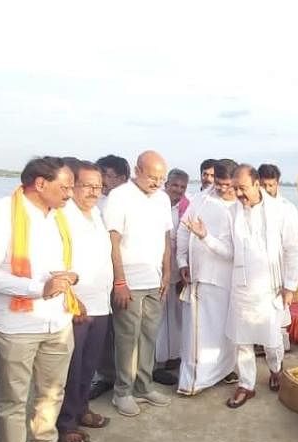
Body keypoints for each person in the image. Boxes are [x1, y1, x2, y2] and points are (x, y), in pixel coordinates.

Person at [0, 156, 82, 442]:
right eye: (65, 186)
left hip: (57, 318)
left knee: (52, 391)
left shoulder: (62, 217)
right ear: (40, 184)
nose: (71, 192)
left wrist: (71, 276)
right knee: (14, 398)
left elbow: (68, 263)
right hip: (15, 323)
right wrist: (37, 288)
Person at [224, 164, 298, 409]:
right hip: (241, 287)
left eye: (242, 188)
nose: (238, 194)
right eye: (235, 188)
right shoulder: (232, 211)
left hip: (271, 287)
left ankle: (276, 369)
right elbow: (230, 251)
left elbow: (293, 250)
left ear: (257, 184)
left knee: (272, 339)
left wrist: (290, 286)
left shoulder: (283, 210)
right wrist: (205, 238)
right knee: (241, 340)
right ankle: (246, 385)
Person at [102, 151, 174, 417]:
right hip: (128, 281)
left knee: (149, 335)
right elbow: (113, 240)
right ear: (137, 170)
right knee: (126, 338)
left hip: (155, 280)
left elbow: (166, 238)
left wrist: (167, 273)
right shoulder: (119, 196)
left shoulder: (163, 199)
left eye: (161, 178)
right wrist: (119, 280)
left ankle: (144, 386)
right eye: (152, 177)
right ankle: (122, 392)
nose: (157, 183)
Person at [55, 160, 112, 442]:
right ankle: (65, 423)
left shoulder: (97, 214)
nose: (93, 191)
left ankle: (81, 409)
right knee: (70, 367)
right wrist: (72, 299)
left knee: (89, 365)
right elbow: (55, 262)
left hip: (100, 301)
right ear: (73, 186)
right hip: (75, 304)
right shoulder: (62, 215)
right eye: (87, 185)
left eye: (98, 186)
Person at [177, 159, 238, 395]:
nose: (222, 189)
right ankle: (193, 381)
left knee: (225, 332)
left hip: (226, 280)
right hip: (199, 277)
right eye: (218, 183)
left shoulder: (240, 207)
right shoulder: (202, 198)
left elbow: (232, 252)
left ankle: (223, 371)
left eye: (227, 185)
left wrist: (206, 238)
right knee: (197, 333)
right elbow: (184, 229)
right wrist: (182, 260)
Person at [88, 154, 131, 400]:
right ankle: (105, 375)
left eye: (109, 175)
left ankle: (129, 377)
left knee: (126, 331)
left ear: (123, 177)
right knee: (104, 332)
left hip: (125, 274)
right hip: (100, 278)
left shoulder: (126, 201)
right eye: (102, 175)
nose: (104, 181)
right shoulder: (94, 205)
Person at [258, 162, 298, 351]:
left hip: (279, 270)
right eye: (263, 185)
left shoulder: (287, 208)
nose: (267, 189)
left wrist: (290, 285)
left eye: (271, 185)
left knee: (279, 314)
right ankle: (260, 344)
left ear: (277, 184)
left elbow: (293, 248)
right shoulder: (250, 206)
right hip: (257, 271)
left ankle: (279, 356)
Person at [154, 168, 190, 383]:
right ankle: (154, 364)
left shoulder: (185, 208)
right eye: (174, 185)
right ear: (166, 184)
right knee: (156, 319)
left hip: (175, 269)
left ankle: (171, 357)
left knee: (173, 316)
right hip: (156, 269)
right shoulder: (156, 204)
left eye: (182, 187)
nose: (178, 190)